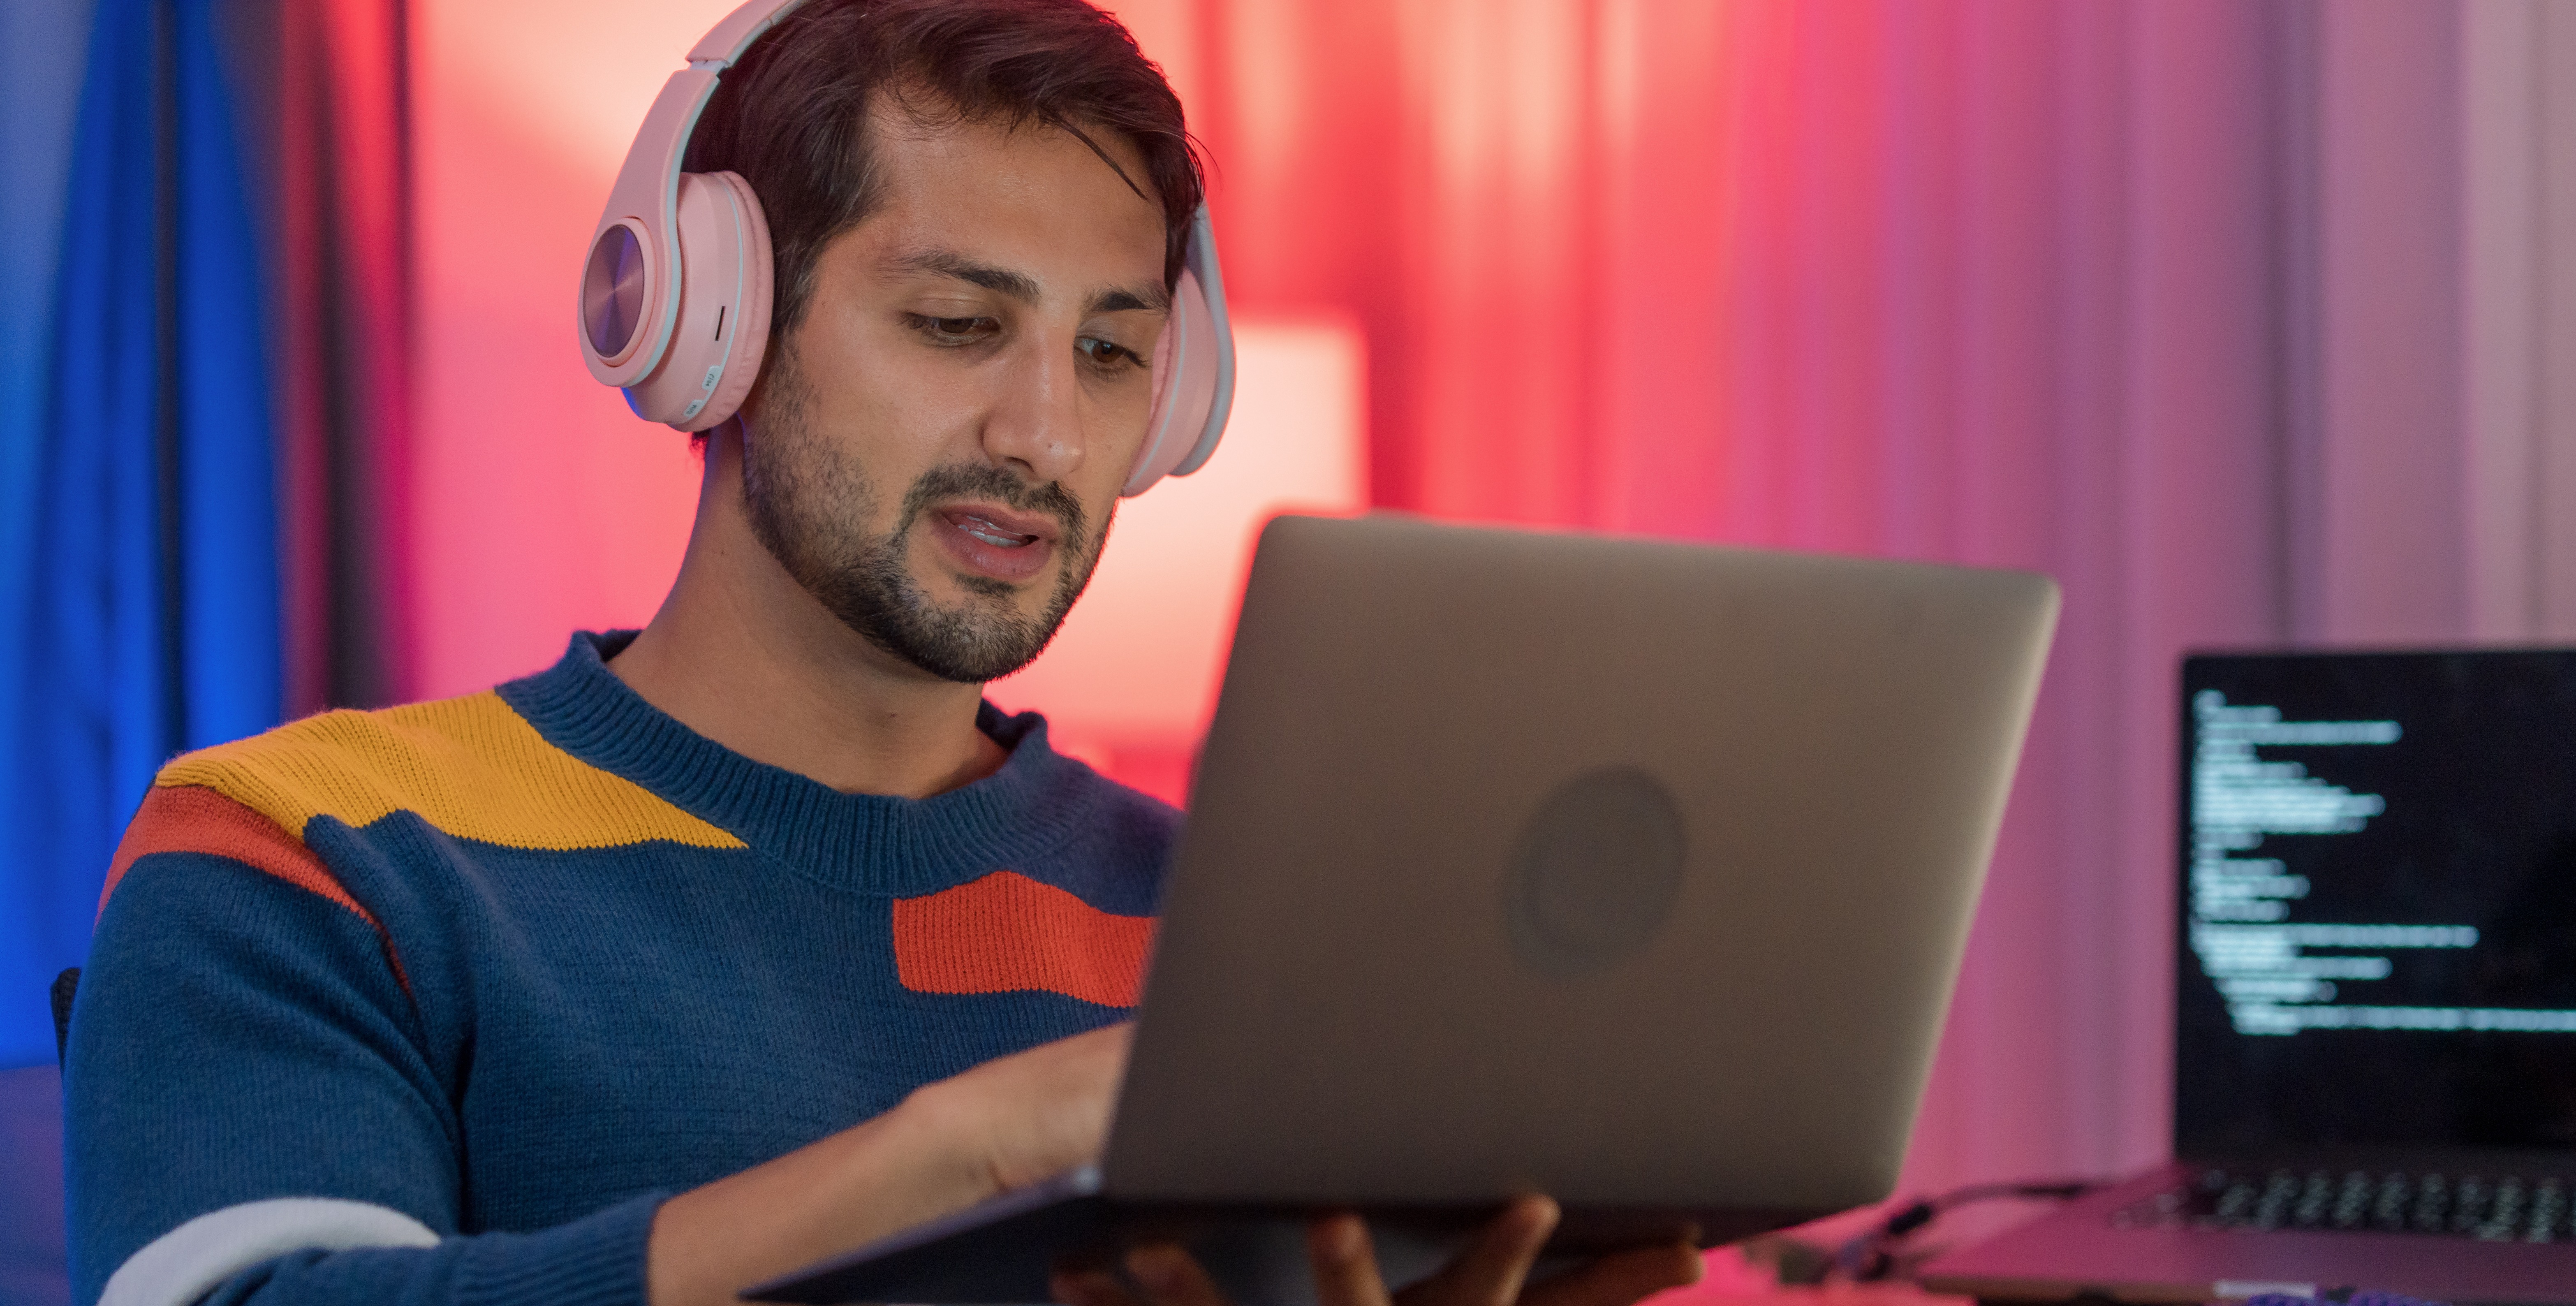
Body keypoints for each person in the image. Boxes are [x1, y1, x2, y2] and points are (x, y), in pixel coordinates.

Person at [60, 4, 1705, 1306]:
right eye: (954, 323)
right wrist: (962, 1151)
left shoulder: (1236, 946)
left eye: (1114, 351)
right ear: (711, 318)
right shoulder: (309, 852)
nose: (1048, 432)